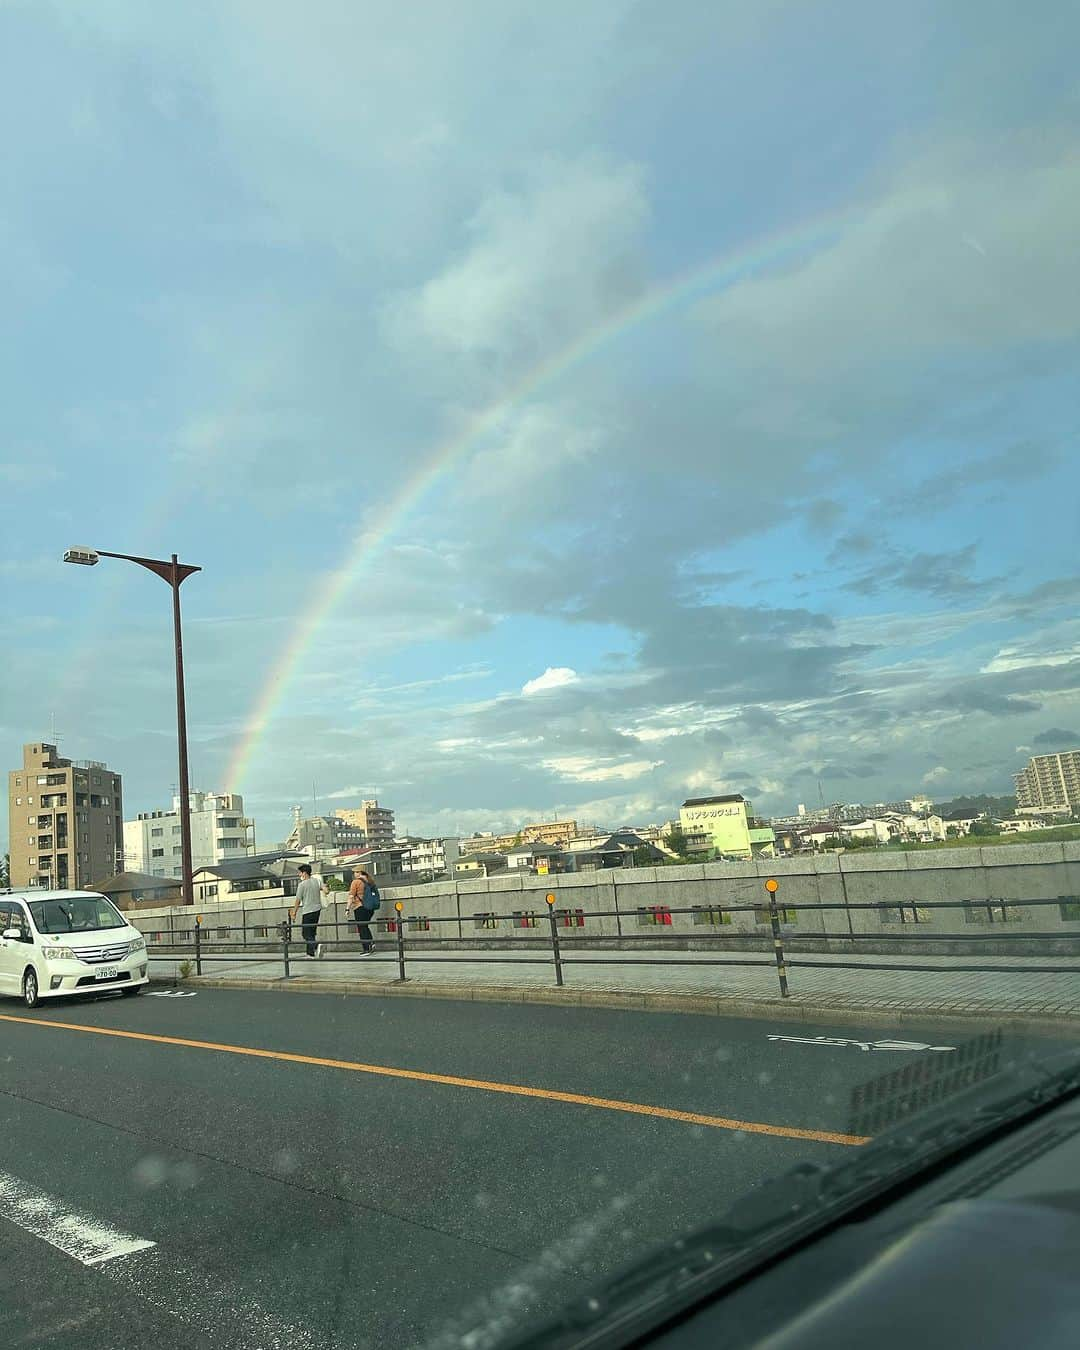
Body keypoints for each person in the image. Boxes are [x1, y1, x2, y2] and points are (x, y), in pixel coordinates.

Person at [290, 863, 327, 958]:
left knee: (305, 933)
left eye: (300, 873)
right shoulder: (317, 881)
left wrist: (294, 912)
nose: (299, 875)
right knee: (312, 932)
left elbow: (298, 900)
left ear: (305, 873)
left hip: (308, 911)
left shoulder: (302, 885)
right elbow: (326, 890)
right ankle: (310, 954)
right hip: (317, 910)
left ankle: (316, 945)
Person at [346, 868, 380, 955]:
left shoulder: (356, 882)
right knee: (365, 926)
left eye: (356, 872)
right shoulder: (370, 881)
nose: (354, 874)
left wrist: (347, 908)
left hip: (360, 907)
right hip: (370, 908)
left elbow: (351, 896)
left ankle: (366, 948)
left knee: (362, 928)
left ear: (360, 872)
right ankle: (371, 943)